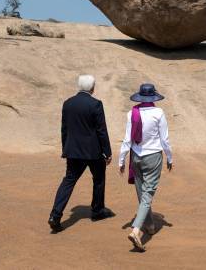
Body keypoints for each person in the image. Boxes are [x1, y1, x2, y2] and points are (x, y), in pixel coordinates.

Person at [48, 74, 113, 232]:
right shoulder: (96, 104)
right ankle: (97, 210)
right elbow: (101, 130)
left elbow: (64, 128)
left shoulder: (68, 103)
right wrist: (107, 151)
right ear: (92, 88)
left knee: (68, 181)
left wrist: (66, 149)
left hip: (73, 150)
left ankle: (55, 215)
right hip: (93, 152)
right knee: (98, 179)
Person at [119, 83, 173, 251]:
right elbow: (165, 139)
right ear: (153, 97)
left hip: (136, 157)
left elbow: (127, 139)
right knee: (148, 192)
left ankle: (149, 226)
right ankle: (136, 230)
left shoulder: (131, 113)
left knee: (142, 193)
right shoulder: (158, 113)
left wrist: (121, 160)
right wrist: (170, 158)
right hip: (153, 157)